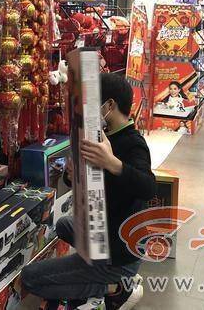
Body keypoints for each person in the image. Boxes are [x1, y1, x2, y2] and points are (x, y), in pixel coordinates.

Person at [21, 73, 156, 310]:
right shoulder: (101, 136)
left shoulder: (132, 142)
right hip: (102, 232)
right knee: (63, 224)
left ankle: (115, 288)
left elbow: (148, 187)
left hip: (119, 253)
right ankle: (98, 274)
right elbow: (90, 182)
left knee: (30, 277)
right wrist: (72, 175)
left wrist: (112, 163)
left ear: (109, 105)